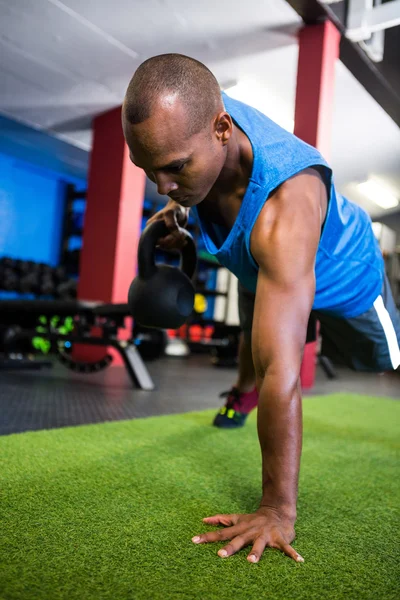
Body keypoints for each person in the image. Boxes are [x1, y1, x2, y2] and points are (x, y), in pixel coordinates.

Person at [122, 54, 400, 565]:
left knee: (385, 361)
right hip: (268, 266)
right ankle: (239, 394)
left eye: (175, 169)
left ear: (222, 130)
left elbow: (284, 375)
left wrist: (277, 508)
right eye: (148, 170)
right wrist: (177, 202)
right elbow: (177, 162)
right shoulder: (194, 129)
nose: (162, 187)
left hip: (349, 276)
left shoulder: (284, 205)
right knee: (257, 315)